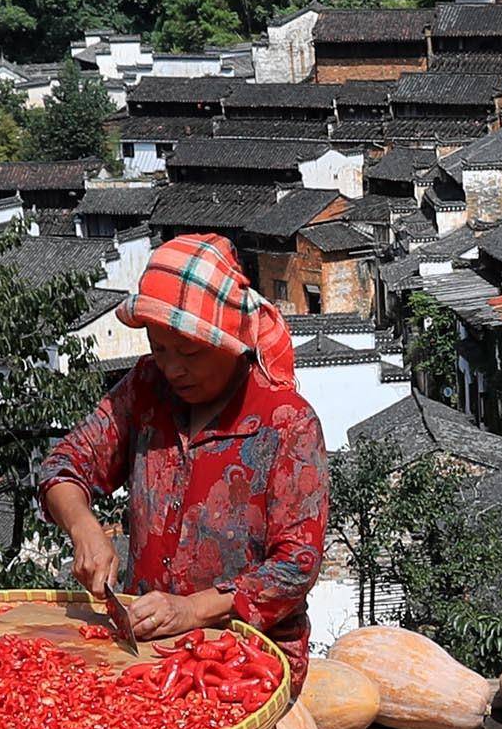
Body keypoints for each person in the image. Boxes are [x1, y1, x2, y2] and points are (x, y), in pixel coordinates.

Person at [41, 234, 328, 650]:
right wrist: (83, 526)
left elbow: (295, 565)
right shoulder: (146, 387)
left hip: (247, 652)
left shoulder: (287, 422)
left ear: (229, 344)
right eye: (159, 349)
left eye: (189, 353)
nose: (172, 368)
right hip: (147, 638)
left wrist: (193, 610)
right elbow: (65, 463)